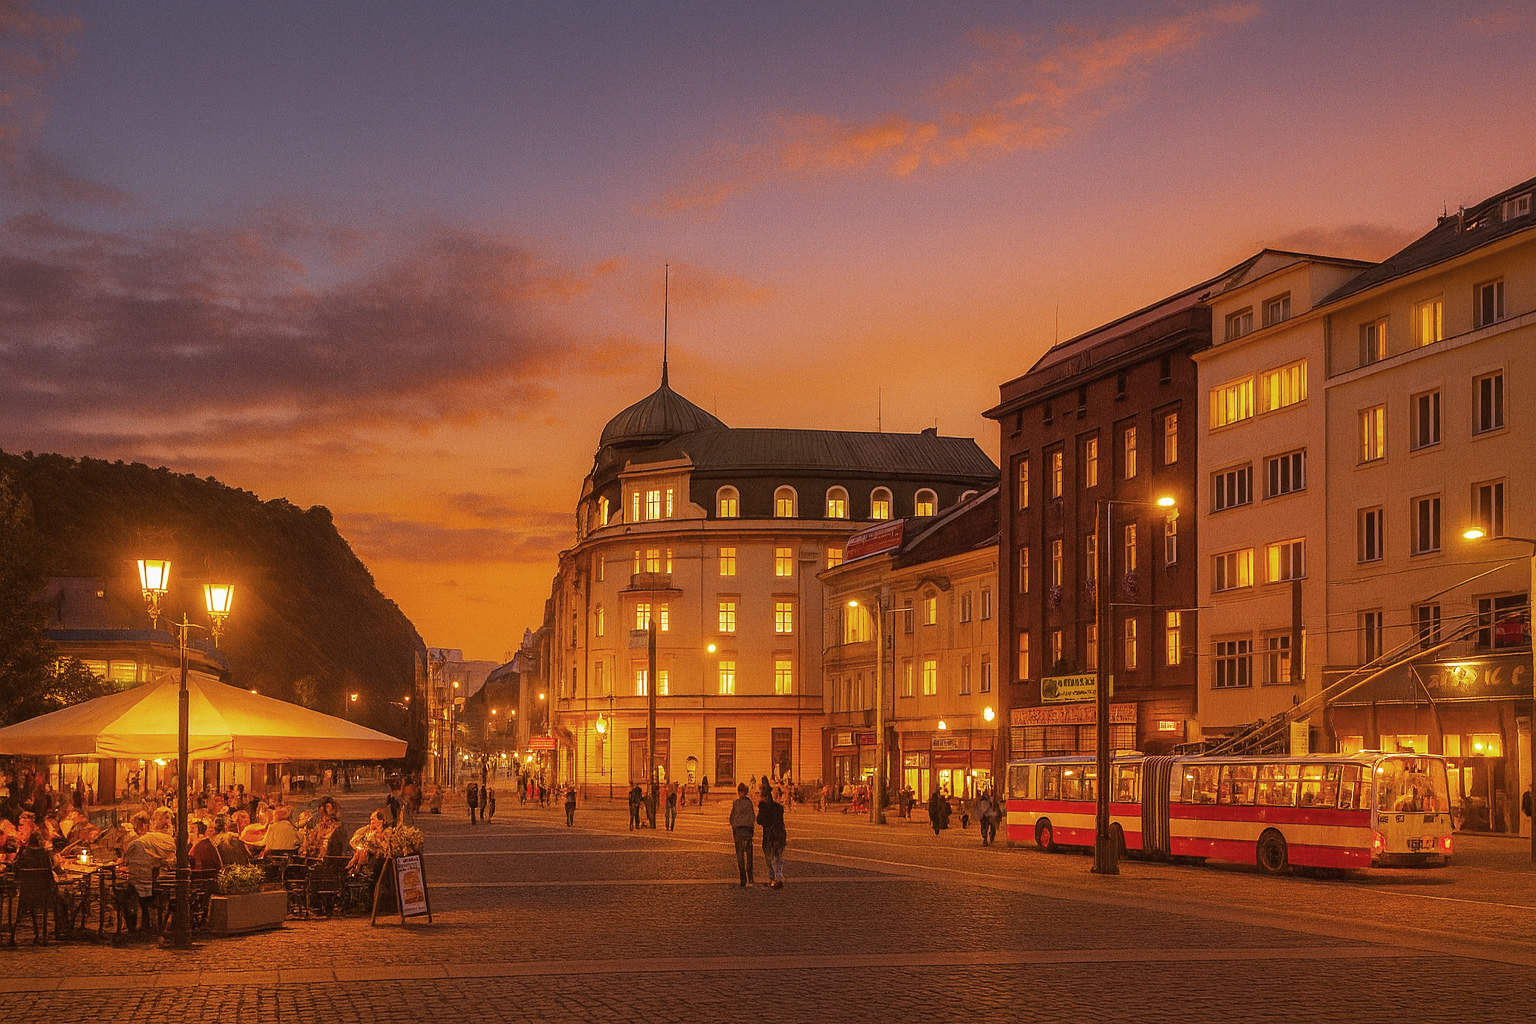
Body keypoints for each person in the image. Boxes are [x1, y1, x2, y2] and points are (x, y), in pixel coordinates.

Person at [757, 781, 787, 889]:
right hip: (779, 834)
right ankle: (778, 877)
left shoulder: (764, 808)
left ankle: (772, 878)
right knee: (778, 856)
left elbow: (759, 821)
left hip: (769, 835)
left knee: (769, 857)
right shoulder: (778, 808)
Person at [729, 783, 756, 888]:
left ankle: (743, 879)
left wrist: (734, 825)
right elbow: (752, 817)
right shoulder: (749, 803)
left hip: (738, 831)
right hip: (748, 831)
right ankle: (751, 877)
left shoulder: (736, 803)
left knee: (740, 855)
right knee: (749, 856)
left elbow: (732, 817)